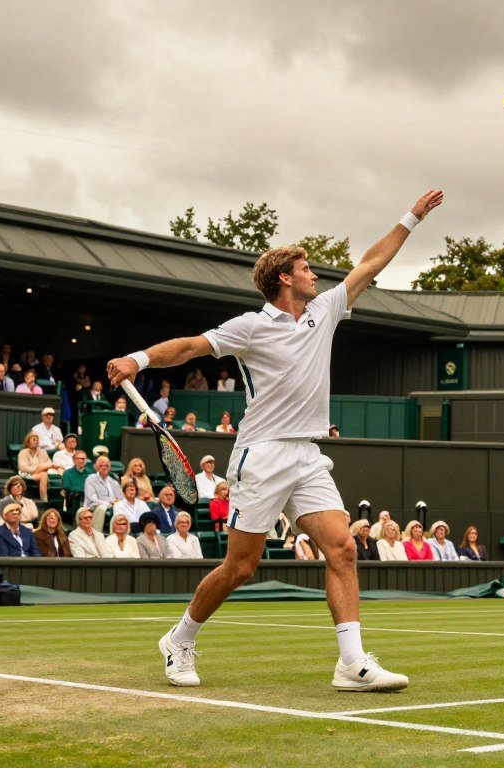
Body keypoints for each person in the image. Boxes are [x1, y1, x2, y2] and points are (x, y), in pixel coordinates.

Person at [107, 189, 441, 692]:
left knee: (343, 548)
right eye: (306, 268)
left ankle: (351, 663)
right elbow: (192, 347)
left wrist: (412, 218)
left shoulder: (325, 310)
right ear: (285, 278)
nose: (315, 275)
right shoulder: (249, 327)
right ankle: (179, 638)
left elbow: (371, 263)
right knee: (240, 567)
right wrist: (140, 359)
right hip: (260, 455)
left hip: (307, 453)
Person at [84, 455, 122, 532]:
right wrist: (109, 503)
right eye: (101, 465)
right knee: (102, 508)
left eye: (106, 465)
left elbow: (122, 498)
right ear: (96, 467)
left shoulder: (113, 481)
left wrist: (118, 502)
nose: (104, 467)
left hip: (114, 506)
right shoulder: (91, 479)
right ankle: (97, 533)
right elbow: (93, 499)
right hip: (95, 507)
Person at [16, 433, 54, 502]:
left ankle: (44, 500)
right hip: (26, 475)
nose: (36, 441)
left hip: (39, 475)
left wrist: (41, 468)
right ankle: (44, 500)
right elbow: (23, 468)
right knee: (43, 474)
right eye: (33, 440)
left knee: (44, 475)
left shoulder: (42, 452)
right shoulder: (23, 452)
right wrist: (39, 468)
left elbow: (50, 463)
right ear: (28, 442)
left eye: (37, 440)